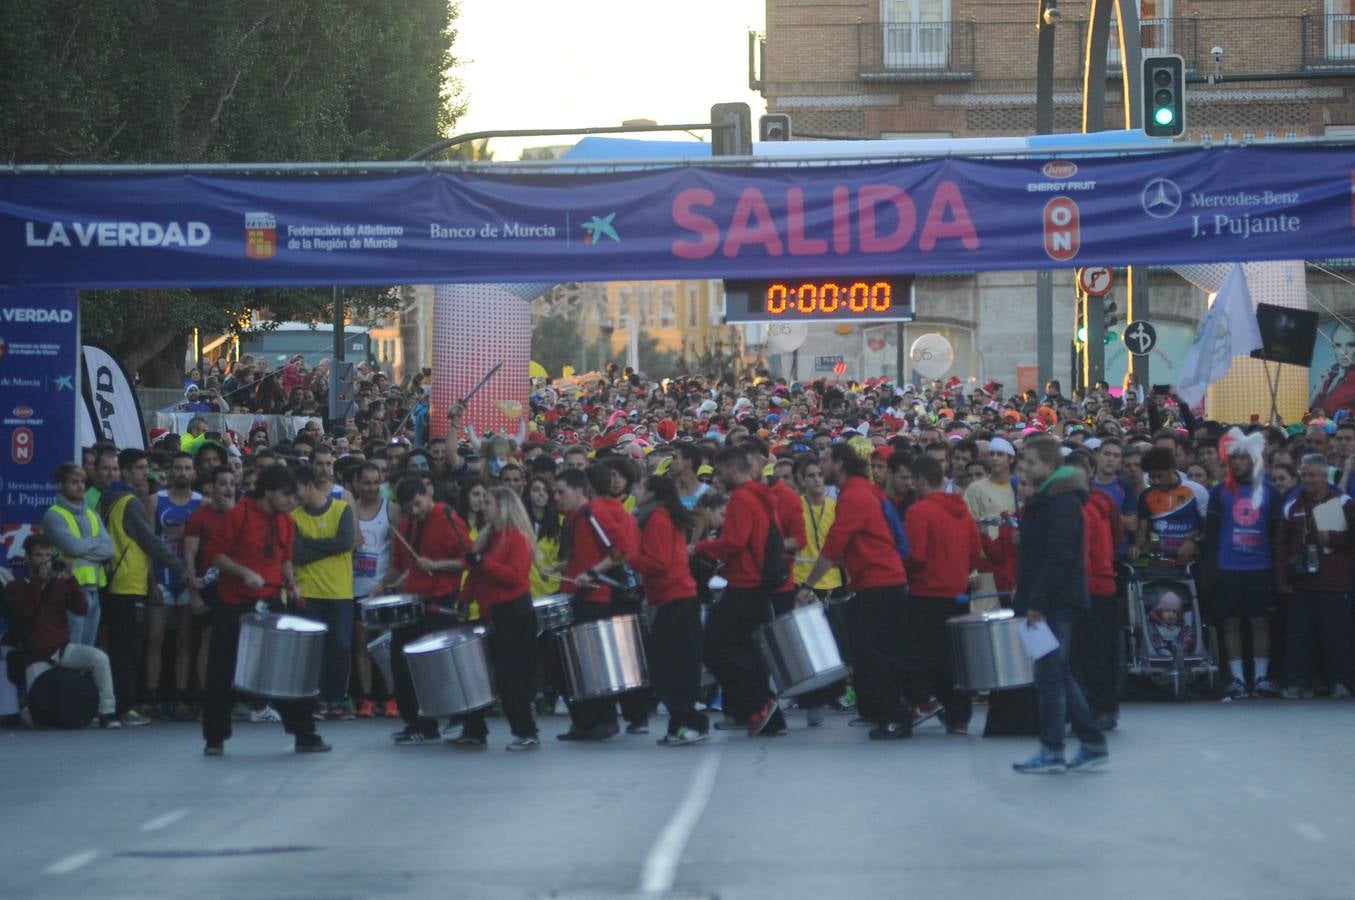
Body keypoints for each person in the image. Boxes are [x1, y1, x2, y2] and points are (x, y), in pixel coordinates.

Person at [798, 443, 924, 740]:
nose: (822, 465)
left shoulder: (853, 495)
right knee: (878, 651)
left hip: (876, 583)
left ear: (840, 463)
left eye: (826, 459)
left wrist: (808, 584)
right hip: (882, 580)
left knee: (871, 653)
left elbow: (835, 543)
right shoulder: (863, 490)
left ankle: (895, 715)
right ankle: (891, 710)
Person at [203, 465, 330, 756]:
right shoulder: (239, 515)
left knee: (287, 668)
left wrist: (292, 583)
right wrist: (244, 573)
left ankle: (304, 733)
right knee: (222, 670)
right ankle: (215, 737)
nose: (290, 502)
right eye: (286, 495)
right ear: (269, 491)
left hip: (271, 598)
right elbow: (215, 556)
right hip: (235, 602)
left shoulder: (286, 521)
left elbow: (285, 559)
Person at [1011, 435, 1108, 773]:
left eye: (1032, 463)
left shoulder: (1061, 503)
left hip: (1055, 600)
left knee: (1050, 676)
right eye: (1024, 462)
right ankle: (1092, 742)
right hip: (1049, 597)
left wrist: (1037, 600)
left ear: (1050, 466)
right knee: (1058, 673)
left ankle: (1053, 749)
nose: (1025, 467)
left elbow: (1059, 557)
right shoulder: (1049, 500)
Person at [693, 446, 786, 737]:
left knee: (714, 648)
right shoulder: (759, 496)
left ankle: (758, 704)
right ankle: (767, 714)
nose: (718, 480)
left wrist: (698, 548)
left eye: (720, 473)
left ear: (733, 470)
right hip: (755, 585)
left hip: (745, 585)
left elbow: (734, 542)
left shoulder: (743, 499)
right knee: (746, 651)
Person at [377, 475, 472, 744]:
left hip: (439, 603)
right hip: (412, 603)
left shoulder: (448, 517)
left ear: (427, 494)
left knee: (438, 669)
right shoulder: (405, 525)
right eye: (409, 508)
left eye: (418, 505)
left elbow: (468, 559)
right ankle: (417, 723)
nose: (415, 512)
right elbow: (398, 567)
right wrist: (381, 586)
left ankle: (454, 716)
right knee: (401, 665)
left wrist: (438, 565)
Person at [553, 467, 642, 741]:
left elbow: (618, 551)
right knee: (576, 664)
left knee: (590, 663)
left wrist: (591, 574)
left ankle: (603, 719)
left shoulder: (591, 515)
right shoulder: (579, 517)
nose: (556, 498)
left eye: (561, 492)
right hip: (583, 596)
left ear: (580, 491)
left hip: (595, 598)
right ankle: (587, 721)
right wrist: (566, 566)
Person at [99, 448, 186, 726]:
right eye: (139, 468)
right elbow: (150, 541)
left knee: (120, 648)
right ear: (125, 471)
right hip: (129, 583)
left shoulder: (107, 498)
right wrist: (180, 568)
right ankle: (124, 708)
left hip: (114, 582)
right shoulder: (129, 502)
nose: (144, 473)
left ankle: (114, 706)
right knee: (129, 651)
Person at [455, 486, 542, 751]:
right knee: (481, 674)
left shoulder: (515, 538)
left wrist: (483, 563)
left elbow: (514, 577)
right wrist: (465, 597)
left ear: (503, 507)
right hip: (493, 612)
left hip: (513, 613)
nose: (483, 505)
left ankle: (526, 731)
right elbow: (476, 574)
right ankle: (474, 729)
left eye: (488, 502)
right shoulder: (490, 536)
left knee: (508, 675)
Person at [904, 454, 983, 734]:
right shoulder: (962, 510)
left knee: (920, 654)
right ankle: (958, 717)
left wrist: (905, 571)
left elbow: (915, 555)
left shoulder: (919, 512)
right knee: (955, 657)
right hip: (958, 593)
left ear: (922, 481)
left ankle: (925, 699)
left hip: (926, 592)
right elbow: (976, 554)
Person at [4, 535, 118, 728]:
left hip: (63, 649)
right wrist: (40, 581)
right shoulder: (16, 587)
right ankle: (26, 705)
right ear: (28, 558)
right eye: (39, 555)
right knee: (36, 722)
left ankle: (106, 712)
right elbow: (26, 610)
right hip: (35, 657)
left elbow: (81, 609)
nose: (44, 560)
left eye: (48, 555)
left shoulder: (58, 583)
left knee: (99, 658)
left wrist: (70, 578)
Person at [630, 476, 708, 746]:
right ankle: (680, 724)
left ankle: (691, 722)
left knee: (666, 670)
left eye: (639, 487)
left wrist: (630, 554)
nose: (634, 491)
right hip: (676, 598)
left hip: (673, 599)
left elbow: (658, 562)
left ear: (651, 492)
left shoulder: (656, 519)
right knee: (676, 668)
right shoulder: (663, 516)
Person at [1208, 429, 1282, 700]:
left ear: (1254, 459)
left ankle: (1261, 677)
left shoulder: (1270, 492)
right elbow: (1213, 534)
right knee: (1231, 622)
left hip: (1259, 567)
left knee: (1260, 621)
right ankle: (1238, 679)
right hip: (1228, 566)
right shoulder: (1220, 493)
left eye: (1243, 458)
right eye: (1233, 458)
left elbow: (1276, 535)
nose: (1238, 463)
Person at [1275, 454, 1355, 699]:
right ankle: (1298, 683)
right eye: (1304, 474)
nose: (1307, 479)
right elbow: (1280, 546)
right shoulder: (1293, 504)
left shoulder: (1344, 502)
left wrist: (1333, 539)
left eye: (1313, 475)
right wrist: (1281, 581)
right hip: (1301, 582)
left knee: (1336, 636)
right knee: (1299, 636)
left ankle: (1340, 682)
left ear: (1325, 475)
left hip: (1335, 581)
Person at [291, 468, 358, 720]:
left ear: (309, 486)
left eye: (296, 490)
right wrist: (328, 546)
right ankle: (317, 700)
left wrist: (310, 544)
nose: (293, 497)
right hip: (309, 590)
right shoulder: (294, 517)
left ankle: (337, 699)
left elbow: (345, 543)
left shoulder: (341, 509)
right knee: (314, 649)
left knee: (340, 647)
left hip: (340, 591)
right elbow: (296, 553)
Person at [145, 451, 202, 720]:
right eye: (178, 468)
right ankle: (152, 696)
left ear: (194, 473)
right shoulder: (156, 500)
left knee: (184, 640)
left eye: (187, 468)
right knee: (155, 639)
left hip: (188, 580)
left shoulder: (202, 503)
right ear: (171, 471)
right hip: (162, 576)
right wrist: (151, 582)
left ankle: (181, 696)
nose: (182, 473)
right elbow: (146, 543)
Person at [41, 462, 113, 647]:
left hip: (94, 588)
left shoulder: (92, 514)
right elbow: (72, 547)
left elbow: (110, 548)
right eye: (74, 482)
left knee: (88, 647)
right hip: (67, 589)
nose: (81, 486)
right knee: (73, 647)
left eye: (82, 481)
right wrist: (95, 545)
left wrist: (83, 548)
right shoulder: (54, 515)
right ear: (60, 485)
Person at [351, 462, 397, 718]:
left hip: (383, 589)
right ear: (358, 483)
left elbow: (401, 553)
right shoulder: (350, 510)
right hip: (356, 589)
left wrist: (386, 583)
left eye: (375, 483)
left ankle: (391, 697)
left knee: (386, 646)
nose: (371, 488)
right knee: (362, 645)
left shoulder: (391, 510)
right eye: (366, 483)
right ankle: (366, 698)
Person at [964, 437, 1018, 613]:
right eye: (992, 454)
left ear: (1011, 459)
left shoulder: (1020, 486)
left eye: (1000, 454)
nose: (994, 458)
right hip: (985, 566)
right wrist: (971, 570)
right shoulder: (976, 489)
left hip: (1014, 563)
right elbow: (968, 528)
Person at [1132, 447, 1202, 565]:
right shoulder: (1146, 495)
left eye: (1159, 476)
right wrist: (1136, 547)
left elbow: (1209, 527)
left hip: (1189, 562)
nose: (1156, 481)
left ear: (1171, 469)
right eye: (1152, 477)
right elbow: (1142, 532)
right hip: (1158, 562)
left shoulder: (1196, 491)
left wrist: (1194, 541)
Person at [1146, 591, 1196, 657]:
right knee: (1163, 651)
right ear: (1160, 611)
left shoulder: (1180, 625)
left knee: (1182, 651)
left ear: (1178, 614)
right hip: (1160, 650)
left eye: (1174, 612)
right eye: (1167, 610)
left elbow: (1187, 634)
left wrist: (1185, 644)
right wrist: (1160, 646)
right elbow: (1153, 638)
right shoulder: (1154, 624)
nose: (1171, 614)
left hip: (1178, 649)